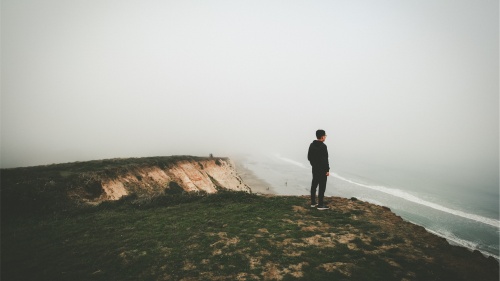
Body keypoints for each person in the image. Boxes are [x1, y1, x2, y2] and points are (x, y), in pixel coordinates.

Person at [307, 129, 330, 210]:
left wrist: (314, 165)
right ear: (322, 136)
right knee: (322, 187)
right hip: (322, 170)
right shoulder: (323, 146)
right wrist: (327, 170)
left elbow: (309, 157)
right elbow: (325, 160)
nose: (325, 137)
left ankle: (313, 202)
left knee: (314, 185)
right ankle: (320, 204)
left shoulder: (312, 145)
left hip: (315, 169)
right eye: (325, 136)